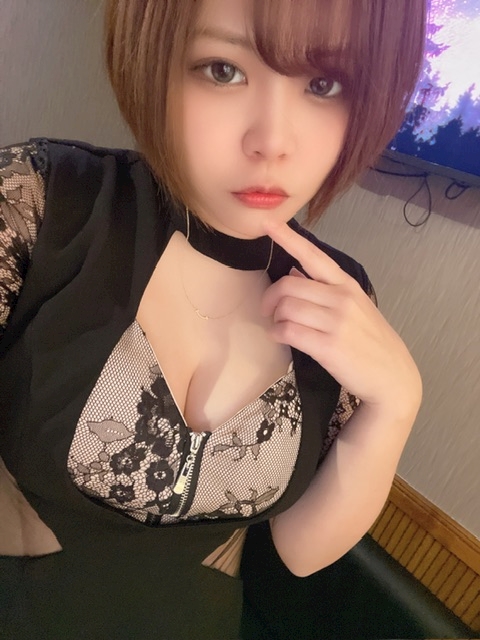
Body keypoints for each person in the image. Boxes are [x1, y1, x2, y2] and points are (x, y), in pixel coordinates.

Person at [0, 0, 425, 638]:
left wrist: (396, 404)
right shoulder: (37, 206)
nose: (272, 142)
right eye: (223, 70)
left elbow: (300, 552)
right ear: (153, 61)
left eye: (323, 83)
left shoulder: (337, 298)